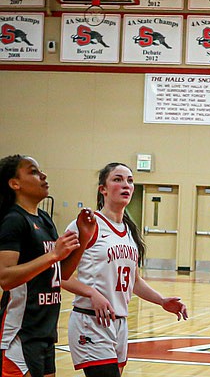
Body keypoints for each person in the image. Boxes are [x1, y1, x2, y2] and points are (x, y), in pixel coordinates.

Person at [61, 162, 188, 376]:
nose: (125, 185)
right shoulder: (85, 224)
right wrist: (92, 293)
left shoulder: (128, 230)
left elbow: (135, 281)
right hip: (91, 321)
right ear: (103, 189)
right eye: (117, 179)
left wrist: (162, 301)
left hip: (119, 323)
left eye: (130, 180)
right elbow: (59, 275)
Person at [0, 154, 96, 377]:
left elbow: (60, 275)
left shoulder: (44, 218)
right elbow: (4, 277)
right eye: (33, 172)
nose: (42, 175)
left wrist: (84, 239)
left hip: (45, 332)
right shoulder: (13, 220)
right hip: (20, 334)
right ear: (15, 184)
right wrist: (53, 255)